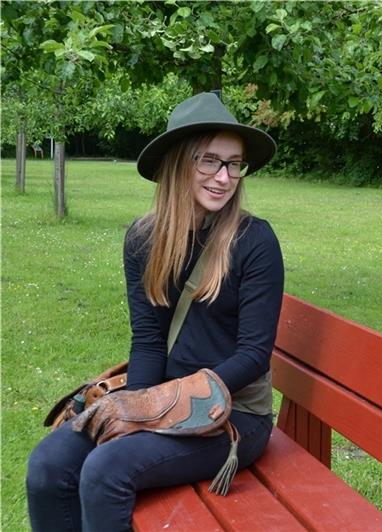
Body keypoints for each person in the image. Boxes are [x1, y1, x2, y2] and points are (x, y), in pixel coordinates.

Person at [26, 92, 284, 531]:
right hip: (161, 399)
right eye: (209, 161)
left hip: (233, 415)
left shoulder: (254, 241)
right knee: (48, 465)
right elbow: (147, 340)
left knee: (106, 470)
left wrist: (163, 407)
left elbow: (254, 355)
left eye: (233, 163)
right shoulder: (144, 240)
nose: (223, 177)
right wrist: (138, 409)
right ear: (177, 164)